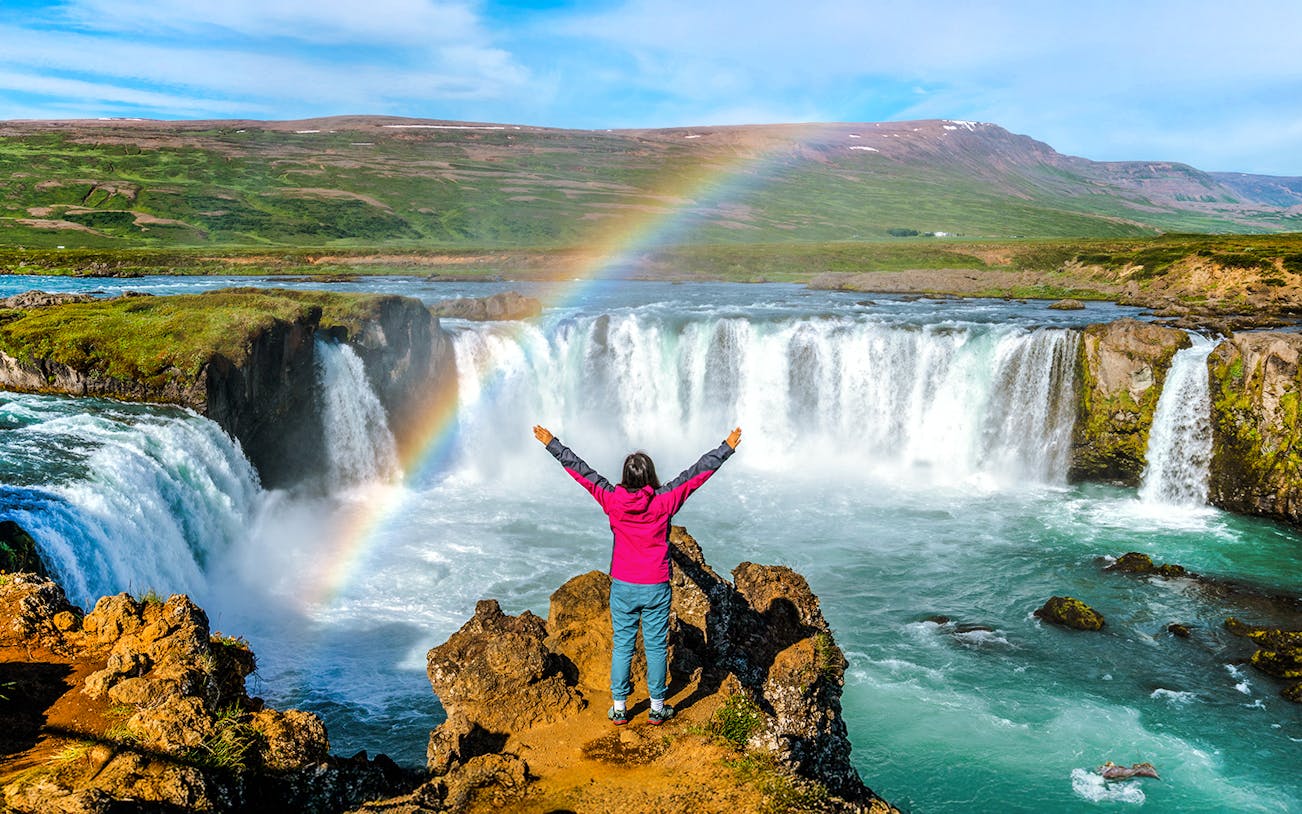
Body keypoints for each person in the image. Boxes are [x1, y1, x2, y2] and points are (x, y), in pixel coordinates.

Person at [533, 424, 742, 726]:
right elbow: (696, 474)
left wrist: (552, 444)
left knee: (623, 645)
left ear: (626, 476)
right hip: (655, 585)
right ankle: (657, 708)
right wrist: (726, 447)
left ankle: (619, 708)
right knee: (656, 647)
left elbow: (581, 472)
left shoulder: (612, 499)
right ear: (650, 476)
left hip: (623, 585)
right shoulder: (664, 501)